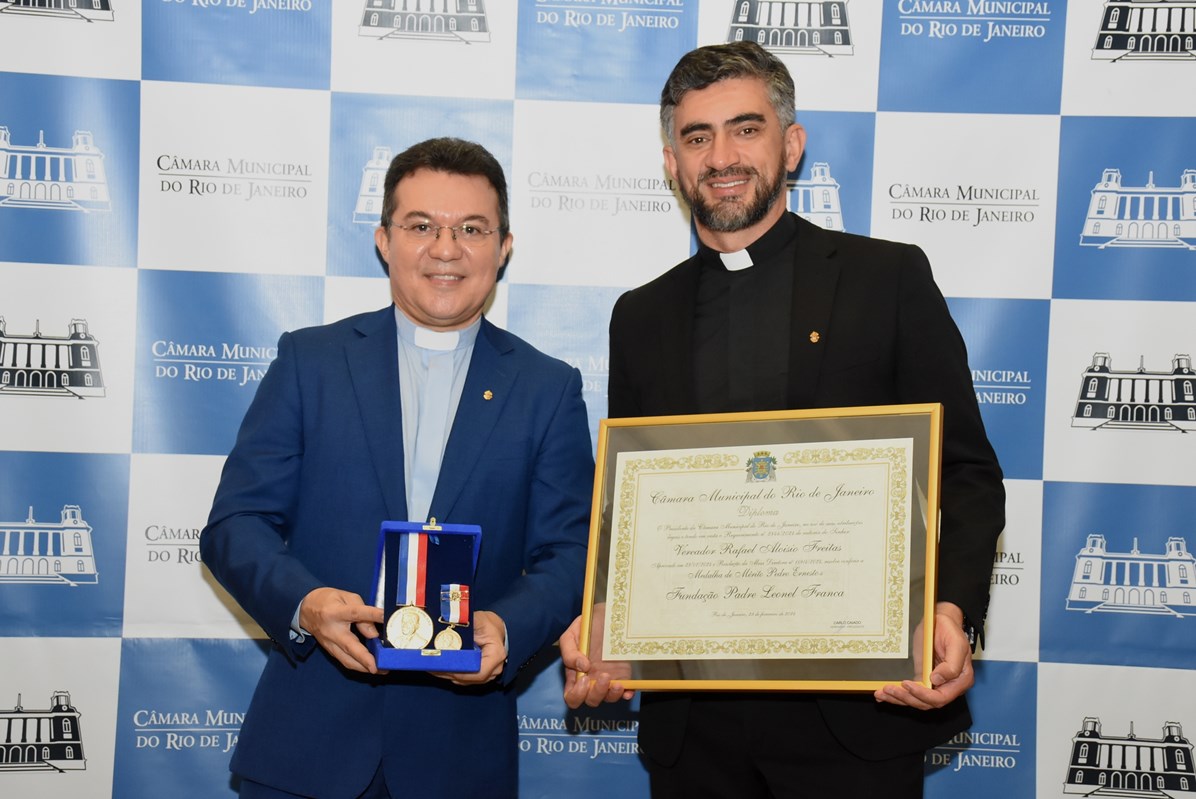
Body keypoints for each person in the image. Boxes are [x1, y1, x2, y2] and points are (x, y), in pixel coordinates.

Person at [560, 41, 1005, 798]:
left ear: (791, 145)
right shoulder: (639, 316)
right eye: (697, 137)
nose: (722, 155)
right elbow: (629, 505)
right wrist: (604, 612)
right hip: (695, 731)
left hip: (859, 719)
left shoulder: (888, 278)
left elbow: (964, 470)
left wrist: (951, 608)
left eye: (746, 128)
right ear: (672, 161)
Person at [201, 137, 594, 799]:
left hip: (460, 757)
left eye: (472, 228)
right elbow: (235, 525)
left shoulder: (547, 387)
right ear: (385, 239)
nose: (446, 248)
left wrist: (506, 625)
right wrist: (305, 604)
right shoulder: (311, 362)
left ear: (504, 245)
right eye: (421, 226)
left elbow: (572, 551)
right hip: (305, 750)